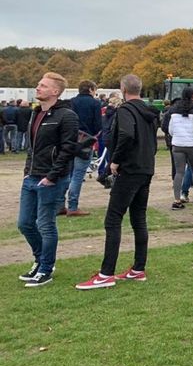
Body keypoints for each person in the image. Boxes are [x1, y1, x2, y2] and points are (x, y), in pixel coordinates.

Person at [75, 75, 159, 290]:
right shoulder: (149, 113)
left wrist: (115, 161)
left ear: (123, 89)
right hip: (145, 168)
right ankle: (138, 268)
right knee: (138, 218)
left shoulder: (125, 111)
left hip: (130, 169)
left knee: (113, 219)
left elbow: (126, 135)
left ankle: (106, 273)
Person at [18, 72, 79, 287]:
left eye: (42, 85)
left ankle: (46, 269)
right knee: (25, 223)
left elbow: (68, 149)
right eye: (38, 84)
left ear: (55, 91)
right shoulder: (36, 113)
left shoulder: (66, 115)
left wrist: (52, 177)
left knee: (45, 224)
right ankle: (40, 260)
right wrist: (27, 171)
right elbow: (32, 148)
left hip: (51, 179)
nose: (37, 88)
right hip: (31, 177)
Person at [164, 87, 193, 209]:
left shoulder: (173, 110)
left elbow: (170, 129)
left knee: (179, 172)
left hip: (178, 144)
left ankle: (177, 199)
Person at [65, 80, 102, 217]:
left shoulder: (71, 102)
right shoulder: (95, 103)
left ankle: (59, 203)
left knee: (65, 173)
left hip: (69, 140)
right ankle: (73, 206)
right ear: (91, 89)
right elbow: (98, 125)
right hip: (85, 141)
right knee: (78, 175)